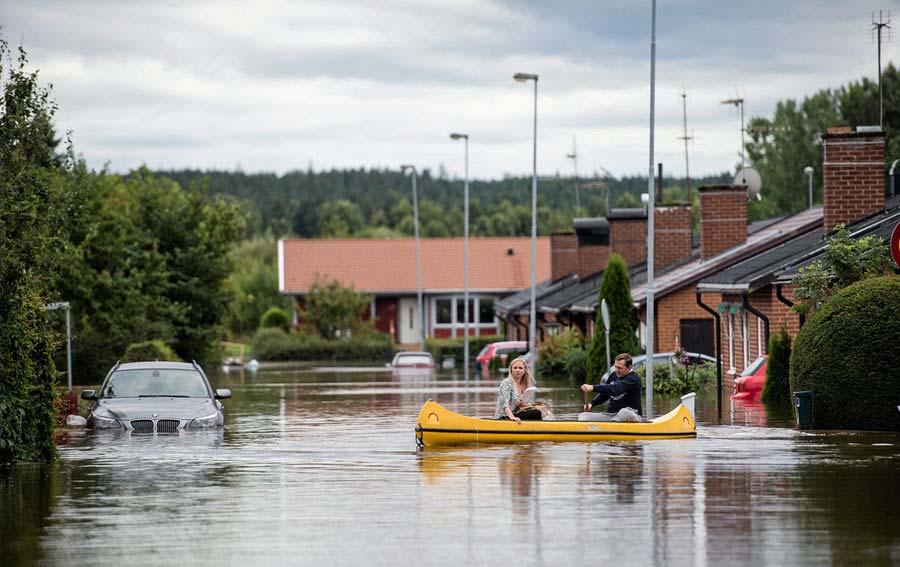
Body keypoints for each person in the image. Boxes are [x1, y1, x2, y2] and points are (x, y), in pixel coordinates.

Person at [578, 353, 642, 422]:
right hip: (611, 415)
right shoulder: (613, 375)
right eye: (615, 367)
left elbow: (616, 389)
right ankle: (609, 427)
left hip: (632, 414)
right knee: (583, 416)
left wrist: (593, 387)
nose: (616, 370)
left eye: (620, 368)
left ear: (629, 368)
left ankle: (612, 426)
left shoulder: (633, 379)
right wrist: (592, 403)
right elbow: (605, 393)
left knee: (624, 412)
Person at [495, 357, 543, 423]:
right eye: (515, 368)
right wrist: (512, 417)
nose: (518, 370)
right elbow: (504, 404)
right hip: (505, 417)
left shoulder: (523, 384)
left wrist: (533, 407)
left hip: (516, 413)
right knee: (536, 413)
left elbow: (521, 405)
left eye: (520, 368)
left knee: (538, 411)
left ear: (524, 370)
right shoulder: (507, 382)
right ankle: (539, 431)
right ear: (511, 369)